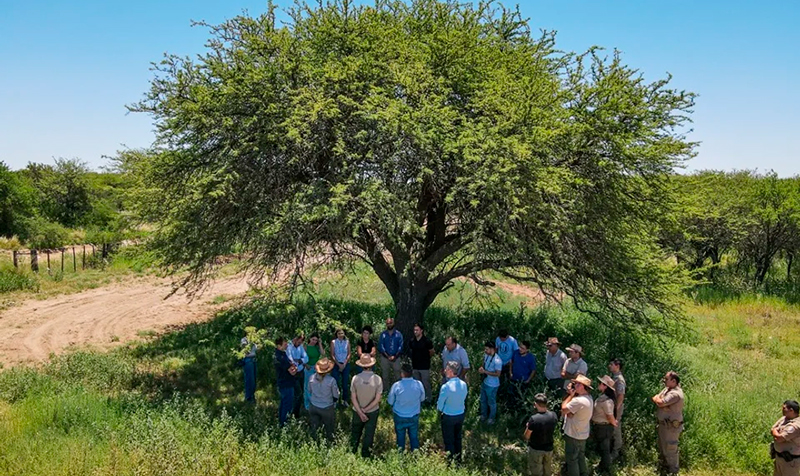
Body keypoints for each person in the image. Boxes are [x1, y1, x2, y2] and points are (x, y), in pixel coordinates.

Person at [652, 371, 685, 476]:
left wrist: (661, 402)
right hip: (664, 425)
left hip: (671, 427)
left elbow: (660, 402)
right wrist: (660, 401)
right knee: (662, 447)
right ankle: (665, 469)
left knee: (671, 448)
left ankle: (673, 471)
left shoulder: (675, 394)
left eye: (666, 379)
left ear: (674, 381)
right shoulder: (667, 389)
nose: (664, 381)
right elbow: (656, 397)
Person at [350, 353, 383, 458]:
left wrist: (360, 411)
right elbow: (377, 399)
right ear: (372, 365)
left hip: (357, 411)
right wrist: (366, 410)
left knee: (355, 432)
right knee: (369, 434)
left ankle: (352, 452)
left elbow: (353, 397)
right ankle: (366, 455)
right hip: (372, 411)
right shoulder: (378, 379)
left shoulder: (355, 378)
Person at [387, 363, 425, 451]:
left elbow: (390, 401)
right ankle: (415, 457)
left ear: (402, 373)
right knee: (414, 437)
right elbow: (422, 399)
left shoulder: (396, 386)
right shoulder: (419, 384)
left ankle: (400, 459)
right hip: (414, 415)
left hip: (399, 416)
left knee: (400, 439)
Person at [561, 375, 594, 476]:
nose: (575, 385)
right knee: (580, 456)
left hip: (573, 434)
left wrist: (570, 395)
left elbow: (564, 409)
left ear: (583, 386)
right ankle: (584, 473)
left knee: (572, 459)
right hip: (582, 433)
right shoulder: (589, 398)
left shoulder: (578, 401)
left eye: (577, 384)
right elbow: (570, 413)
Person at [437, 361, 468, 460]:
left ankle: (450, 461)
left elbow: (440, 404)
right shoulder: (463, 384)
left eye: (446, 369)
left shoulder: (445, 387)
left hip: (448, 416)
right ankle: (458, 459)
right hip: (460, 414)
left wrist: (440, 410)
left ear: (450, 371)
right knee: (457, 438)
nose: (445, 371)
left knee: (449, 440)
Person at [524, 393, 558, 476]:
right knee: (547, 471)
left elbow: (526, 436)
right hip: (549, 448)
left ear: (535, 404)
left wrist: (527, 426)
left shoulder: (534, 419)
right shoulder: (553, 415)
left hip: (536, 449)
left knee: (536, 471)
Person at [308, 358, 339, 443]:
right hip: (327, 407)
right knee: (329, 427)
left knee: (314, 427)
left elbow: (309, 391)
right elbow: (335, 395)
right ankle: (330, 443)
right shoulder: (331, 381)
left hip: (314, 405)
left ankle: (313, 442)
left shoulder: (311, 378)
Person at [593, 376, 619, 475]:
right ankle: (602, 466)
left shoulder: (607, 400)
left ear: (605, 386)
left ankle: (606, 470)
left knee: (605, 449)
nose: (599, 384)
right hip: (600, 426)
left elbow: (609, 415)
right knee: (602, 448)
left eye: (601, 383)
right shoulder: (603, 397)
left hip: (604, 427)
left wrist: (613, 423)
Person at [407, 323, 434, 403]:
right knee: (416, 385)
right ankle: (418, 400)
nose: (415, 332)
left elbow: (431, 352)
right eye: (414, 330)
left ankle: (428, 400)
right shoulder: (412, 341)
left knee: (425, 384)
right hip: (415, 366)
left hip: (424, 366)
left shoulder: (427, 341)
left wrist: (426, 358)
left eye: (417, 330)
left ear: (421, 331)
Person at [771, 400, 800, 476]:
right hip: (779, 458)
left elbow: (779, 438)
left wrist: (775, 431)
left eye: (784, 408)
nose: (782, 410)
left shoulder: (795, 426)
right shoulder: (784, 418)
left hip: (790, 462)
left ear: (791, 410)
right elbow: (772, 429)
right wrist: (775, 431)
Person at [274, 337, 297, 426]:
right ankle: (284, 423)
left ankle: (281, 420)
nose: (287, 345)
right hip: (286, 382)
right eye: (284, 344)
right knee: (287, 404)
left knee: (283, 403)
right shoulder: (281, 357)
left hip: (282, 382)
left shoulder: (279, 354)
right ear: (279, 346)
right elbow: (292, 371)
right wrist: (295, 369)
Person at [479, 341, 503, 424]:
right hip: (485, 382)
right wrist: (482, 369)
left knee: (491, 402)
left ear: (492, 349)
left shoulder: (497, 360)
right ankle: (483, 415)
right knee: (483, 400)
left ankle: (491, 418)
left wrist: (485, 372)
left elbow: (498, 374)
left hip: (492, 385)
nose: (485, 351)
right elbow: (484, 364)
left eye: (487, 349)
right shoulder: (486, 355)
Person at [608, 358, 626, 461]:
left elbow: (621, 396)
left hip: (616, 407)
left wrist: (615, 409)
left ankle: (616, 451)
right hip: (612, 406)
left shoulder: (619, 379)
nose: (610, 366)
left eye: (611, 364)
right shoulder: (614, 377)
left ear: (617, 366)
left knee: (616, 428)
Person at [509, 340, 537, 406]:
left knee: (521, 398)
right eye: (520, 347)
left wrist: (528, 380)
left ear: (527, 350)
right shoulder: (515, 353)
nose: (520, 349)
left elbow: (533, 370)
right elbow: (511, 362)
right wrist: (510, 372)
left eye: (523, 348)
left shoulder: (530, 358)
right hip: (514, 378)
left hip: (523, 381)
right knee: (511, 396)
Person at [287, 333, 308, 417]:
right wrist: (297, 362)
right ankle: (293, 413)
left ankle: (296, 412)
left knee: (300, 392)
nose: (299, 344)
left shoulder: (301, 347)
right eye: (298, 342)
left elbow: (306, 358)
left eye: (301, 342)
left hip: (300, 372)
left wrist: (300, 360)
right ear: (295, 339)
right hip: (293, 373)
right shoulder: (288, 346)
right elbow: (290, 359)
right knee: (297, 393)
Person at [379, 318, 404, 389]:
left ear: (393, 323)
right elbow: (381, 346)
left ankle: (398, 390)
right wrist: (388, 356)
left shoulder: (398, 334)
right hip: (385, 358)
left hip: (396, 358)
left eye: (390, 323)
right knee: (385, 376)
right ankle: (386, 392)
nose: (389, 325)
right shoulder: (383, 334)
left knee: (398, 376)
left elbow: (400, 346)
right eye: (387, 323)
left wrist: (395, 356)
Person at [304, 333, 325, 410]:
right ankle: (307, 404)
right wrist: (306, 365)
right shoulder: (306, 347)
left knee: (316, 385)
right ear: (310, 339)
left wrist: (320, 343)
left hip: (316, 368)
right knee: (307, 386)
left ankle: (315, 402)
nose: (314, 341)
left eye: (316, 340)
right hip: (308, 367)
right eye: (313, 339)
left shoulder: (316, 347)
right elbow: (302, 357)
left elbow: (323, 354)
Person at [331, 328, 351, 407]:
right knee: (335, 383)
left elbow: (349, 354)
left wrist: (344, 363)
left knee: (345, 383)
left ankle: (345, 400)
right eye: (339, 333)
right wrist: (338, 364)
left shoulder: (347, 342)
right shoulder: (333, 342)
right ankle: (335, 400)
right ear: (336, 334)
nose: (341, 335)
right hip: (336, 364)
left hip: (345, 364)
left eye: (342, 333)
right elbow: (332, 354)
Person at [240, 336, 257, 403]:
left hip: (254, 359)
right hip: (248, 360)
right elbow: (246, 350)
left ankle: (252, 396)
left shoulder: (254, 339)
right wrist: (251, 342)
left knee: (254, 379)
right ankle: (248, 398)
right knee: (250, 379)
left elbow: (256, 349)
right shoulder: (244, 340)